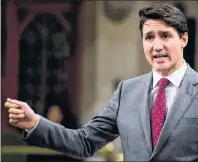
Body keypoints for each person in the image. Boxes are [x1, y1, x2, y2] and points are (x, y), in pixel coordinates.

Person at [5, 3, 198, 161]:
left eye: (165, 35)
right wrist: (35, 123)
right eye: (149, 37)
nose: (157, 46)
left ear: (183, 39)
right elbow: (84, 142)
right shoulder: (127, 92)